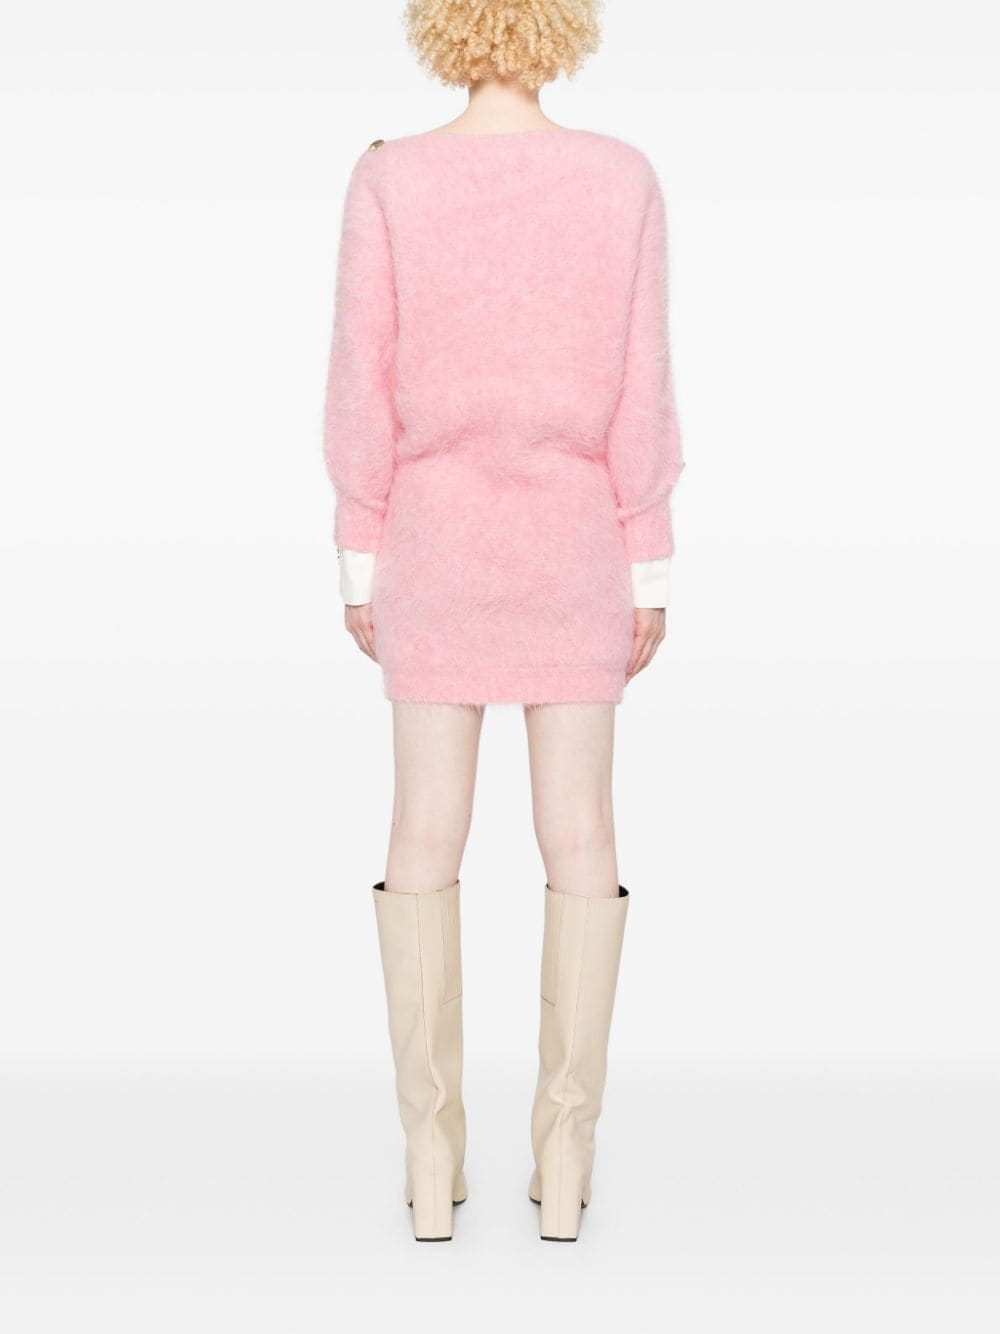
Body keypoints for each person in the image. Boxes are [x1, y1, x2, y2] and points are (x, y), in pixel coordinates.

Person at [323, 0, 684, 1242]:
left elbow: (359, 382)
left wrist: (359, 549)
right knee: (580, 834)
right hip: (575, 547)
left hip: (432, 546)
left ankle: (432, 1160)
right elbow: (643, 391)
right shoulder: (621, 180)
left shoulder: (390, 182)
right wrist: (647, 561)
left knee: (422, 831)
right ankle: (565, 1161)